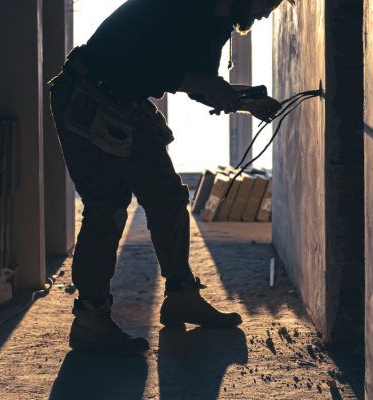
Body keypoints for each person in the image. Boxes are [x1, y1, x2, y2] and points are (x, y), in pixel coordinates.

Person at [49, 0, 291, 354]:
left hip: (123, 100)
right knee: (108, 207)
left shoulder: (219, 24)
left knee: (169, 198)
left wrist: (243, 102)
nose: (266, 13)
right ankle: (91, 319)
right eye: (267, 2)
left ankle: (181, 296)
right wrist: (209, 84)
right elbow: (142, 65)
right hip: (86, 94)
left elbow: (196, 83)